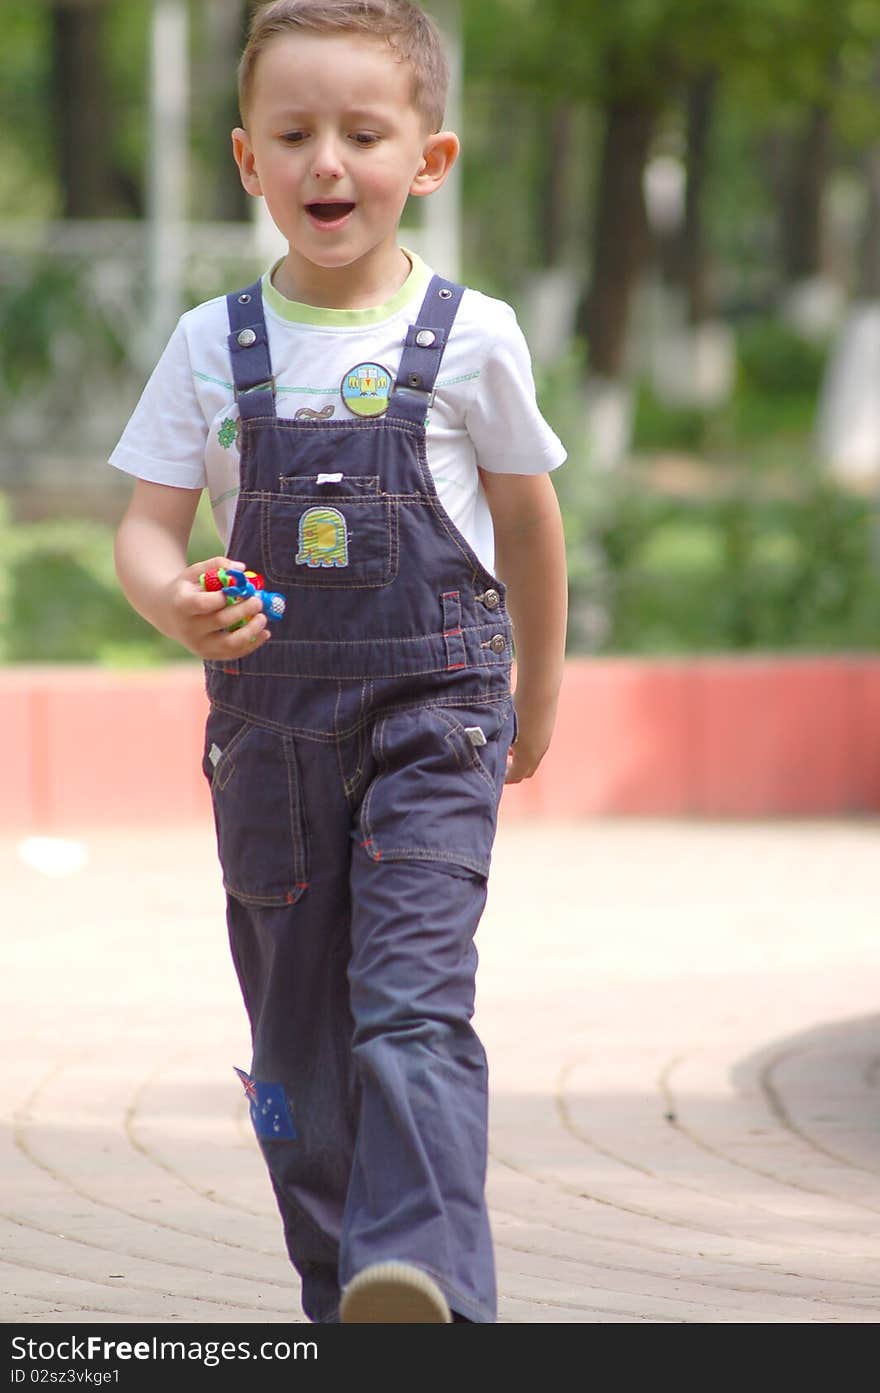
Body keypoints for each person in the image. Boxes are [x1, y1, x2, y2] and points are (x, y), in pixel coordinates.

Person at [111, 0, 567, 1325]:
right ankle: (354, 1299)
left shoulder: (471, 336)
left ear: (429, 158)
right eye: (295, 133)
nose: (329, 163)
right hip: (270, 742)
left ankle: (428, 1273)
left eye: (363, 133)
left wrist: (538, 688)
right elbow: (143, 530)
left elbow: (530, 522)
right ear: (247, 159)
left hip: (437, 716)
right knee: (298, 1059)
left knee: (412, 1009)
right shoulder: (211, 345)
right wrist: (173, 598)